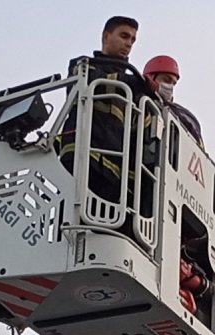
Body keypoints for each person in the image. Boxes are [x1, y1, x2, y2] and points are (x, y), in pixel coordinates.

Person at [57, 17, 151, 201]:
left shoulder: (133, 90)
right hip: (79, 156)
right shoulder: (83, 66)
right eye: (124, 36)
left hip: (113, 171)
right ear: (106, 36)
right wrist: (135, 83)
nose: (129, 43)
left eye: (132, 39)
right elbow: (97, 83)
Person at [142, 54, 203, 147]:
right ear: (150, 77)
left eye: (173, 83)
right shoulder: (138, 101)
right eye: (166, 80)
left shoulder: (182, 115)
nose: (170, 87)